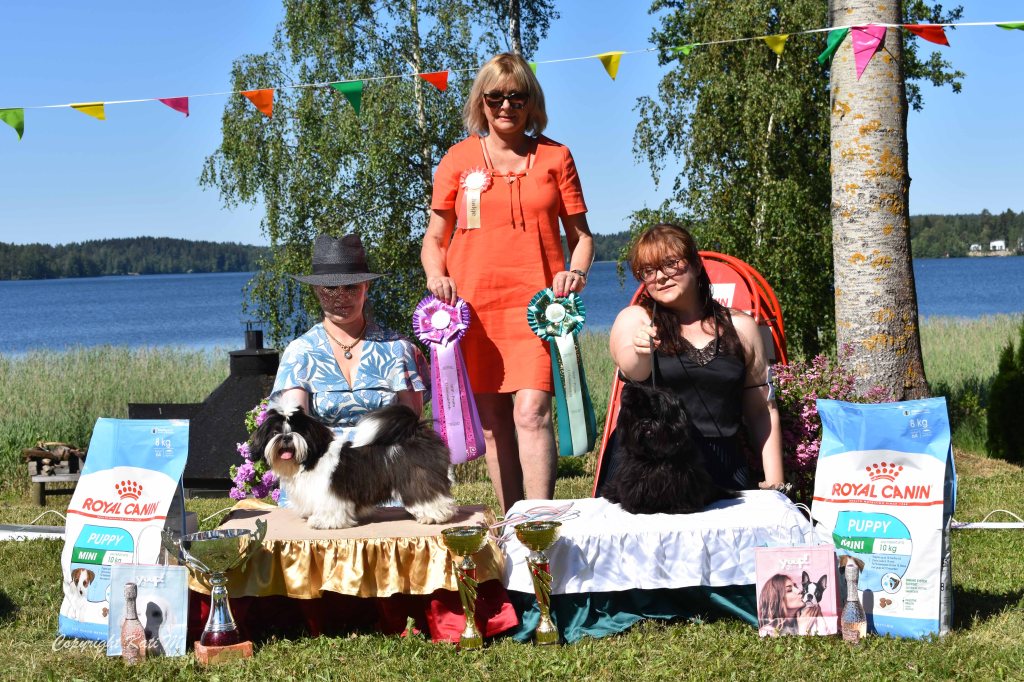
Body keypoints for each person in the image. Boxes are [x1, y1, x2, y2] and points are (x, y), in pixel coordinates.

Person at [421, 52, 594, 511]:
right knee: (495, 426)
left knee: (532, 413)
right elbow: (434, 238)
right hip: (474, 311)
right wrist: (436, 276)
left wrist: (576, 272)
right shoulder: (457, 159)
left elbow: (582, 238)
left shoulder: (557, 157)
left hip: (540, 310)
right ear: (481, 101)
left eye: (517, 97)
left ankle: (540, 524)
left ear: (531, 102)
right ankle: (513, 524)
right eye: (495, 96)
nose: (506, 106)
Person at [604, 223, 785, 492]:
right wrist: (641, 351)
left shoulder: (741, 327)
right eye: (648, 270)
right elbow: (634, 370)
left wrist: (776, 486)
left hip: (722, 468)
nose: (660, 277)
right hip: (648, 472)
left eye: (670, 264)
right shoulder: (635, 318)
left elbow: (762, 410)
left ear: (697, 265)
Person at [272, 233, 428, 441]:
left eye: (351, 287)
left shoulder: (398, 349)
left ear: (366, 286)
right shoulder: (299, 353)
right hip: (323, 461)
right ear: (316, 290)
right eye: (330, 288)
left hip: (390, 460)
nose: (341, 297)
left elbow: (413, 429)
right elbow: (296, 431)